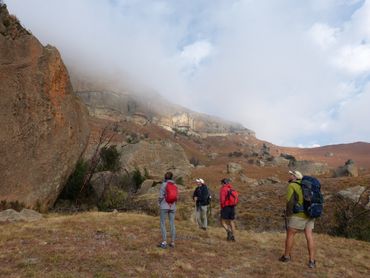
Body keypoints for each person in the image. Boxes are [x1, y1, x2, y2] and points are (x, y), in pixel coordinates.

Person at [280, 170, 316, 268]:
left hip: (298, 215)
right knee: (309, 236)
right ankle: (312, 261)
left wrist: (288, 215)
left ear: (295, 177)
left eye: (291, 174)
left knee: (290, 234)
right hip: (310, 214)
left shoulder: (292, 185)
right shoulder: (309, 185)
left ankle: (286, 257)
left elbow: (289, 202)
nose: (289, 175)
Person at [157, 171, 177, 249]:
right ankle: (172, 242)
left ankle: (164, 242)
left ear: (165, 177)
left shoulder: (163, 185)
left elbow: (161, 196)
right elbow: (176, 197)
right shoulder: (175, 185)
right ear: (172, 177)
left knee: (163, 223)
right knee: (172, 223)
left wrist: (159, 203)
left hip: (164, 206)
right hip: (173, 206)